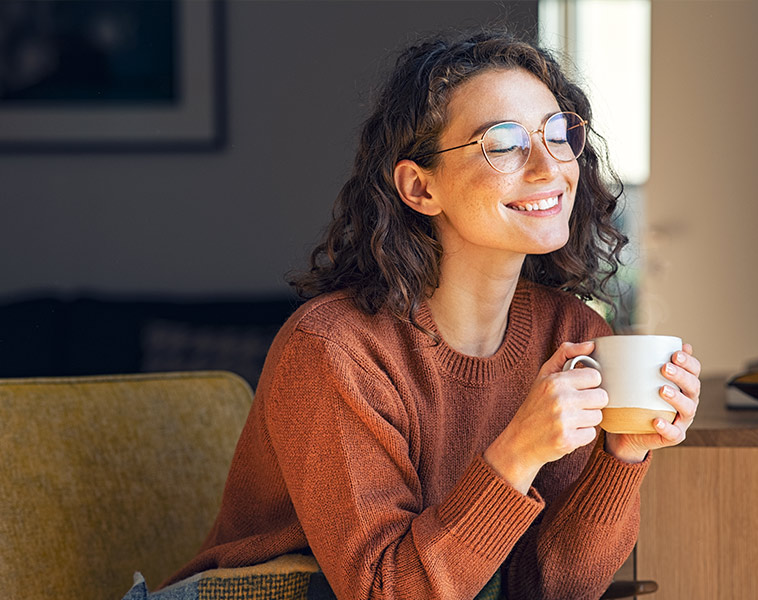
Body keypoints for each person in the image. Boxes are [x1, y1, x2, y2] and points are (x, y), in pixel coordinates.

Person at [152, 29, 701, 600]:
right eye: (505, 144)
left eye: (557, 133)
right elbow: (382, 593)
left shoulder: (571, 333)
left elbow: (549, 589)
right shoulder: (333, 350)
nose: (548, 167)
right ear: (420, 187)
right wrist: (518, 452)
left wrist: (624, 453)